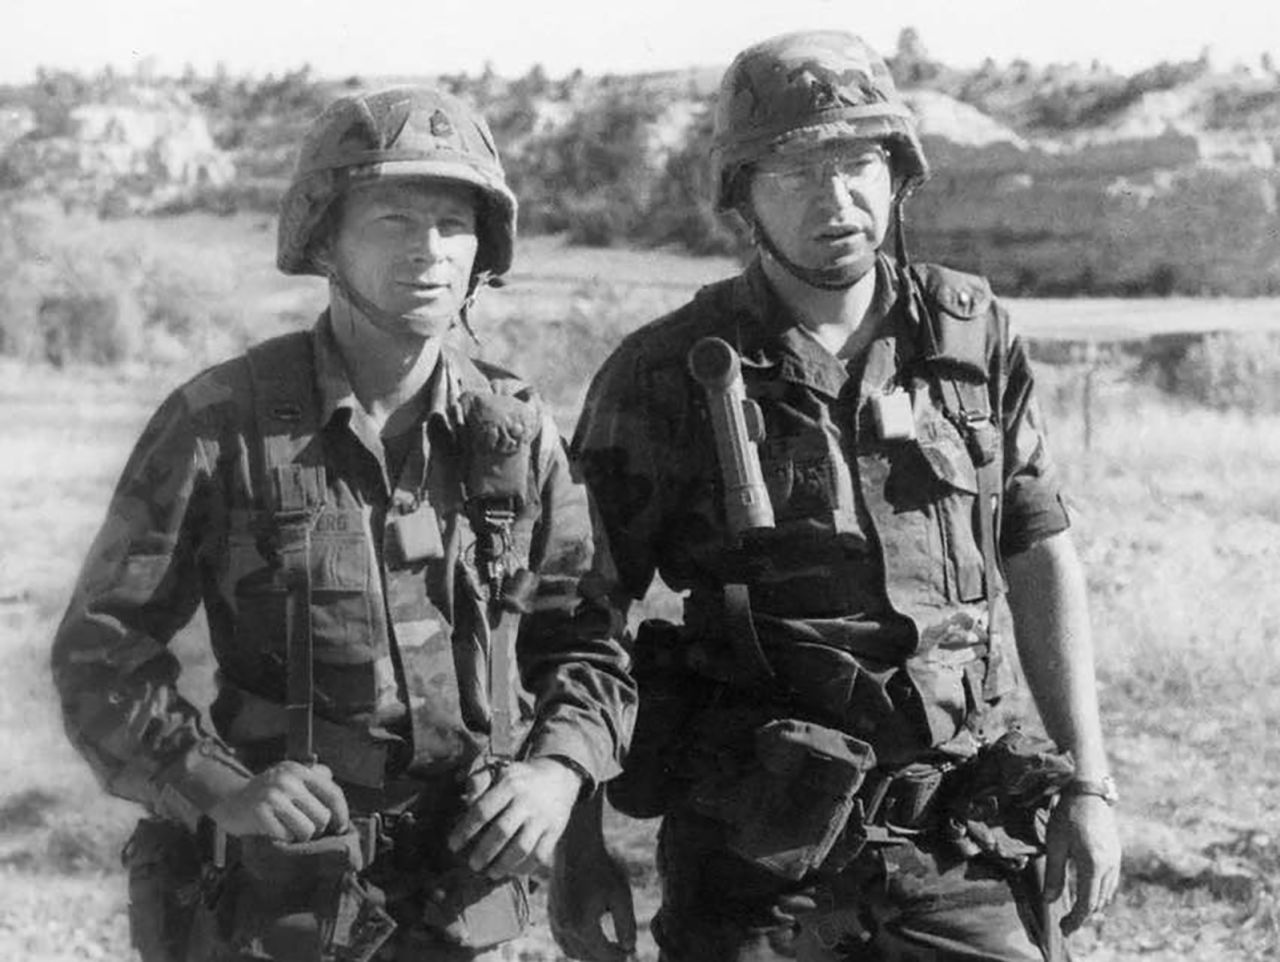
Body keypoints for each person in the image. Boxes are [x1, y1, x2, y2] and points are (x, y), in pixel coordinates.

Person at [552, 30, 1121, 962]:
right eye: (794, 172)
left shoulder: (969, 339)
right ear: (741, 198)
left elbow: (1036, 546)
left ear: (899, 172)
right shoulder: (666, 373)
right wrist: (578, 852)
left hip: (961, 834)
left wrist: (1089, 787)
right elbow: (582, 613)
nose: (836, 198)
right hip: (756, 859)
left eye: (858, 161)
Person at [51, 85, 634, 962]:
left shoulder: (511, 435)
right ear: (325, 236)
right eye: (394, 219)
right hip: (277, 900)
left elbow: (584, 643)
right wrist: (216, 785)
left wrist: (555, 773)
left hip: (455, 898)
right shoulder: (224, 422)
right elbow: (101, 647)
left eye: (454, 223)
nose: (430, 252)